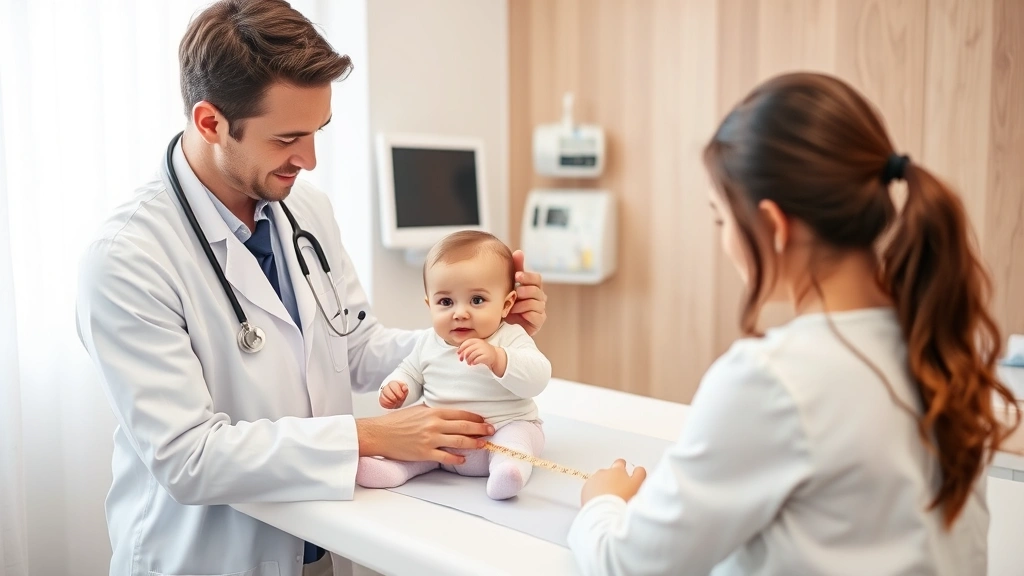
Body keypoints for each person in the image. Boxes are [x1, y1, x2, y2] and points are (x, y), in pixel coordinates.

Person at [74, 2, 548, 575]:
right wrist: (373, 436)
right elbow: (188, 458)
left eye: (318, 132)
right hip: (211, 555)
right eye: (287, 138)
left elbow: (356, 346)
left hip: (319, 540)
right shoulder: (128, 259)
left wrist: (481, 331)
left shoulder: (304, 209)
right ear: (210, 122)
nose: (311, 159)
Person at [567, 72, 1019, 576]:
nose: (724, 241)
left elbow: (626, 564)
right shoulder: (941, 349)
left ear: (775, 226)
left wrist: (601, 502)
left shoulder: (774, 379)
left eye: (722, 219)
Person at [355, 231, 551, 500]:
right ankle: (393, 469)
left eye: (477, 300)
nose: (460, 312)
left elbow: (539, 376)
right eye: (446, 302)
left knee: (517, 439)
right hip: (444, 439)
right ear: (429, 304)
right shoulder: (428, 342)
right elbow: (410, 371)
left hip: (503, 428)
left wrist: (498, 358)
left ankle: (508, 471)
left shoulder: (510, 336)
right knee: (417, 447)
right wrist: (397, 387)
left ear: (506, 305)